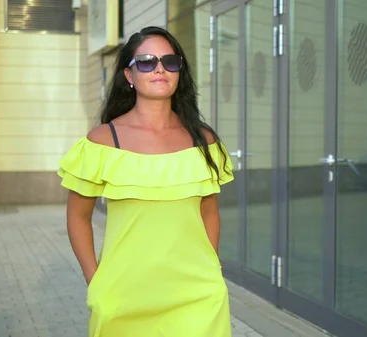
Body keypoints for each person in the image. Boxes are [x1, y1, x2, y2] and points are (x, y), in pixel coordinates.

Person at [57, 26, 234, 337]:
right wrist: (95, 282)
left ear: (180, 71)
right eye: (148, 62)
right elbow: (77, 217)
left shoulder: (204, 141)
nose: (160, 69)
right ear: (129, 75)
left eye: (170, 61)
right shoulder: (102, 142)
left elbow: (209, 212)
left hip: (197, 297)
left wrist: (212, 272)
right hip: (124, 297)